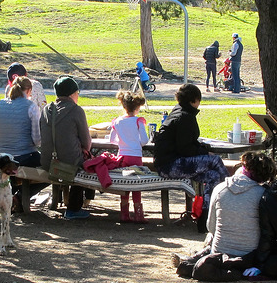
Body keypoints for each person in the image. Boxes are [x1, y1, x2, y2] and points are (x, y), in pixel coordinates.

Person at [172, 152, 277, 281]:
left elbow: (211, 227)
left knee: (213, 236)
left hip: (219, 251)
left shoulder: (220, 188)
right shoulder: (263, 194)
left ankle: (191, 260)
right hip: (249, 255)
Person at [153, 83, 229, 233]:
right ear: (194, 100)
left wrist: (202, 149)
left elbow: (186, 143)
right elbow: (186, 148)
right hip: (171, 165)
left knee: (213, 176)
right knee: (216, 161)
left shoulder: (177, 112)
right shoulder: (185, 117)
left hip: (168, 163)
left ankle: (205, 217)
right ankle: (230, 191)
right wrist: (205, 153)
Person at [83, 91, 149, 223]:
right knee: (137, 184)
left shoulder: (117, 121)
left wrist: (123, 142)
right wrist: (136, 143)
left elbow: (112, 140)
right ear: (137, 108)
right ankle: (138, 214)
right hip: (136, 156)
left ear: (123, 106)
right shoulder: (138, 121)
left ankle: (124, 213)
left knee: (125, 184)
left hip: (123, 156)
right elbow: (145, 140)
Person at [0, 76, 47, 212]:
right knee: (50, 169)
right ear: (29, 91)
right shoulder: (31, 107)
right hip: (23, 155)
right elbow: (36, 139)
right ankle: (20, 196)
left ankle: (11, 196)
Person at [40, 77, 92, 219]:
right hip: (68, 163)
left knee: (76, 157)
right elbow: (87, 143)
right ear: (72, 94)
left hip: (47, 161)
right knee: (86, 161)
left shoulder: (45, 110)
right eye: (77, 93)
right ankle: (74, 208)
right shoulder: (76, 111)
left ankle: (62, 201)